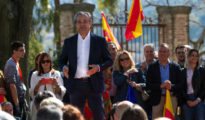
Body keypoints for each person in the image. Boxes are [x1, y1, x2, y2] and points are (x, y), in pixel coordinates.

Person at [59, 11, 112, 120]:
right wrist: (64, 68)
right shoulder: (69, 41)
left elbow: (109, 60)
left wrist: (98, 68)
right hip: (75, 85)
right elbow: (62, 60)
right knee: (75, 117)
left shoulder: (100, 41)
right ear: (76, 24)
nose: (82, 24)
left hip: (94, 84)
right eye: (79, 22)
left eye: (85, 21)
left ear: (90, 23)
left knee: (99, 115)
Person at [146, 43, 184, 119]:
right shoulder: (152, 67)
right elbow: (148, 85)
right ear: (158, 53)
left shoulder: (175, 67)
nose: (162, 53)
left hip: (172, 98)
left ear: (169, 53)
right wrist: (160, 86)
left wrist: (171, 86)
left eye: (164, 51)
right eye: (160, 51)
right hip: (157, 99)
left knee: (171, 118)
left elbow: (181, 84)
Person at [4, 41, 27, 119]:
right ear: (14, 51)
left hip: (20, 100)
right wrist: (16, 105)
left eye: (24, 50)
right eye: (21, 50)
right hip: (14, 102)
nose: (23, 52)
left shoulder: (15, 62)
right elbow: (12, 85)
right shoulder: (11, 64)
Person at [181, 49, 205, 120]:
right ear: (188, 57)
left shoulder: (202, 71)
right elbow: (181, 88)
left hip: (199, 100)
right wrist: (187, 100)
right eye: (192, 55)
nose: (195, 57)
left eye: (196, 56)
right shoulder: (183, 71)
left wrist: (197, 100)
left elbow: (204, 88)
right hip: (186, 100)